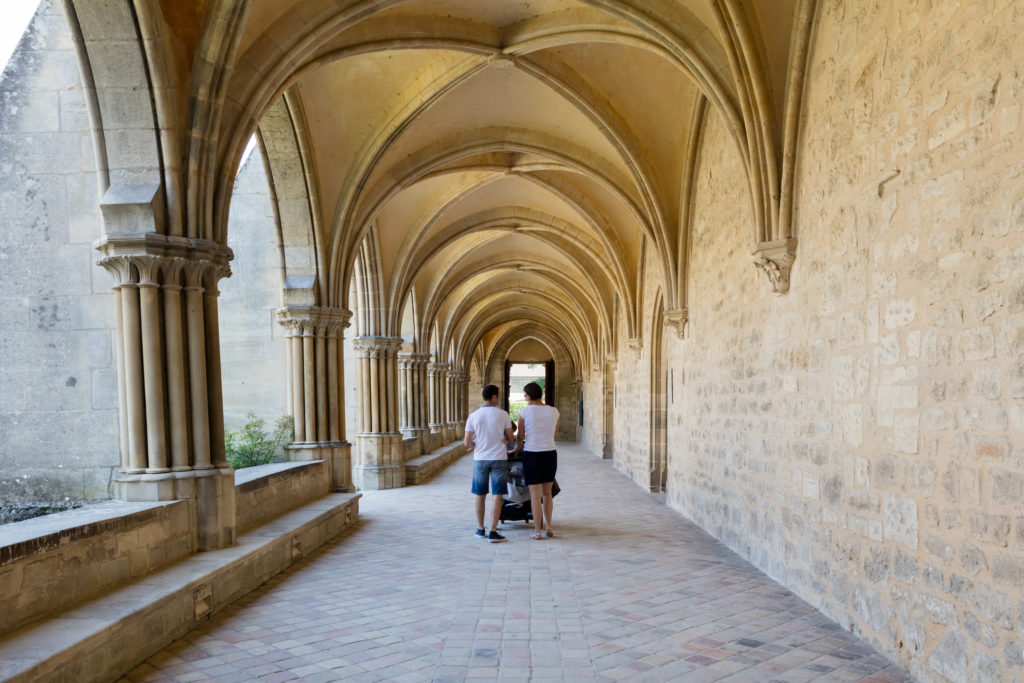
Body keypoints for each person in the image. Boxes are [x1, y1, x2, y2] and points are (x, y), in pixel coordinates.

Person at [464, 384, 515, 542]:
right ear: (493, 397)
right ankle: (493, 531)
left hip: (480, 459)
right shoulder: (503, 414)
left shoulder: (473, 416)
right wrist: (505, 440)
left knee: (480, 494)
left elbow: (467, 442)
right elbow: (511, 438)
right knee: (497, 495)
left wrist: (473, 445)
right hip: (499, 458)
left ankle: (480, 529)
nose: (499, 398)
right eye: (498, 395)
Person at [516, 381, 560, 540]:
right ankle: (548, 526)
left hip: (532, 454)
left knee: (535, 495)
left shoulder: (525, 411)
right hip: (549, 453)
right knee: (547, 493)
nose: (524, 398)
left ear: (530, 395)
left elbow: (520, 436)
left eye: (525, 395)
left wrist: (516, 448)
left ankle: (537, 531)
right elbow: (554, 434)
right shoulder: (554, 411)